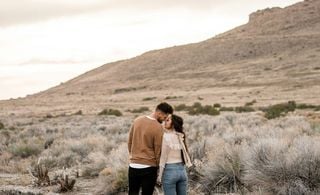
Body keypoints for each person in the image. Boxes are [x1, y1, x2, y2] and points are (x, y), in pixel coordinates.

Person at [128, 102, 173, 195]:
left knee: (132, 192)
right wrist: (157, 167)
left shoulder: (137, 120)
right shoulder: (158, 127)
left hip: (133, 165)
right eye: (164, 117)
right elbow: (158, 150)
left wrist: (134, 156)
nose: (164, 120)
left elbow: (129, 142)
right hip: (149, 167)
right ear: (159, 113)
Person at [157, 114, 192, 195]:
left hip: (169, 172)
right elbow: (185, 154)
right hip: (182, 172)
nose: (165, 122)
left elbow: (163, 158)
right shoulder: (180, 136)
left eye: (168, 120)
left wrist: (159, 176)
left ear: (173, 123)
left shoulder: (165, 137)